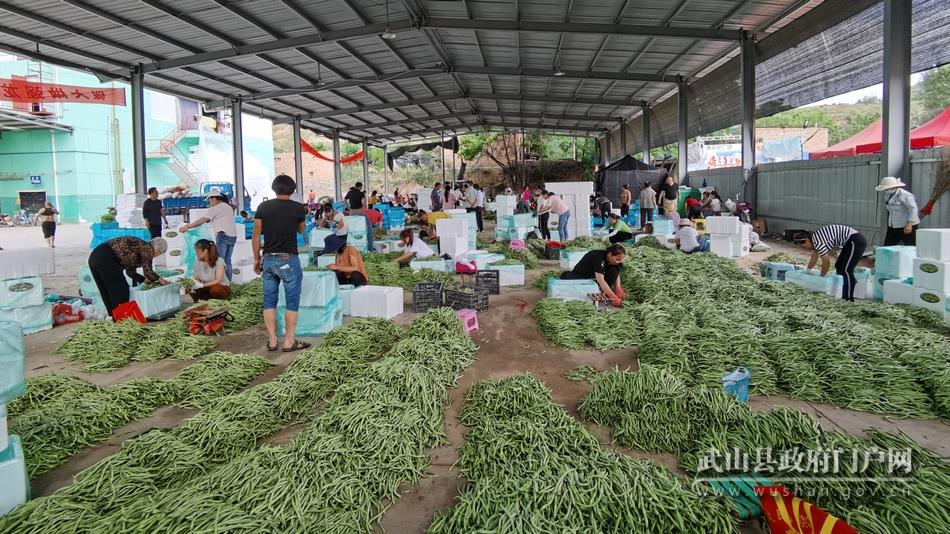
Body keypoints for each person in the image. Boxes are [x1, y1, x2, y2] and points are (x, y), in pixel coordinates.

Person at [253, 174, 310, 353]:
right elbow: (301, 230)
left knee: (269, 301)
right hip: (288, 260)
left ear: (274, 188)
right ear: (293, 190)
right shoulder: (298, 208)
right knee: (292, 300)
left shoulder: (263, 207)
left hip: (268, 259)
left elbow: (256, 235)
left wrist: (257, 259)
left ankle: (272, 341)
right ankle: (289, 341)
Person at [87, 236, 169, 318]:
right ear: (158, 250)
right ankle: (121, 319)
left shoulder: (139, 247)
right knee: (121, 290)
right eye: (160, 253)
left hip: (95, 256)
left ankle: (112, 316)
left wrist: (142, 279)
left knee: (106, 290)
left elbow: (130, 272)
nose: (157, 256)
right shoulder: (148, 248)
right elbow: (148, 272)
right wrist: (161, 280)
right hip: (107, 257)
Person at [179, 188, 238, 281]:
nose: (209, 202)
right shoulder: (227, 206)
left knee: (219, 262)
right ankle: (228, 283)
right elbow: (213, 219)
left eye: (210, 200)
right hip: (232, 237)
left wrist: (187, 226)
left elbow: (202, 220)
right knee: (227, 261)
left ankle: (220, 283)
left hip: (223, 236)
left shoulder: (216, 208)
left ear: (214, 198)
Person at [800, 225, 867, 302]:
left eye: (803, 244)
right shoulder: (814, 238)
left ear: (807, 240)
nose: (803, 247)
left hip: (855, 241)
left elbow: (826, 263)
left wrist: (821, 278)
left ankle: (848, 299)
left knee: (846, 270)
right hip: (849, 242)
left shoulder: (817, 242)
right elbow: (815, 256)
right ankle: (847, 287)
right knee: (839, 266)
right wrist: (808, 270)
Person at [560, 244, 626, 307]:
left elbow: (617, 273)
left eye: (620, 260)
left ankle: (604, 292)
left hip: (594, 277)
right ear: (610, 254)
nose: (618, 262)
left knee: (613, 270)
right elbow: (600, 280)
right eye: (617, 259)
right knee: (568, 279)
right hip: (582, 275)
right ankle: (605, 292)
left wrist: (618, 287)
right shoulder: (598, 257)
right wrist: (613, 296)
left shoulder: (615, 262)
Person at [876, 176, 919, 246]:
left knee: (910, 246)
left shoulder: (905, 195)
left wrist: (909, 224)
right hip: (893, 225)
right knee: (888, 246)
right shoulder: (887, 195)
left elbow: (913, 209)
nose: (886, 190)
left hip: (907, 225)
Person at [344, 181, 373, 249]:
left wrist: (348, 207)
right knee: (364, 227)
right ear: (360, 187)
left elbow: (344, 200)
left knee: (352, 227)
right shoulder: (361, 193)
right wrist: (362, 209)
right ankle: (367, 246)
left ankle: (351, 243)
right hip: (360, 211)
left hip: (351, 212)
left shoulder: (350, 192)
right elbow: (364, 204)